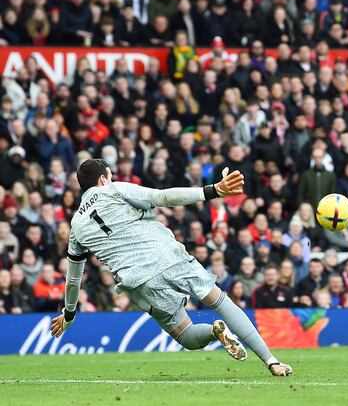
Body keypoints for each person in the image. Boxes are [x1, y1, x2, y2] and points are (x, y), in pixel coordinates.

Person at [48, 159, 292, 377]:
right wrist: (212, 191)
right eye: (110, 176)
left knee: (186, 336)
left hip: (139, 281)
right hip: (168, 257)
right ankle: (272, 361)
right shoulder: (114, 189)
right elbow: (163, 197)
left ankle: (214, 332)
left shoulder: (76, 226)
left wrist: (69, 314)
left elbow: (73, 280)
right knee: (220, 302)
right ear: (103, 179)